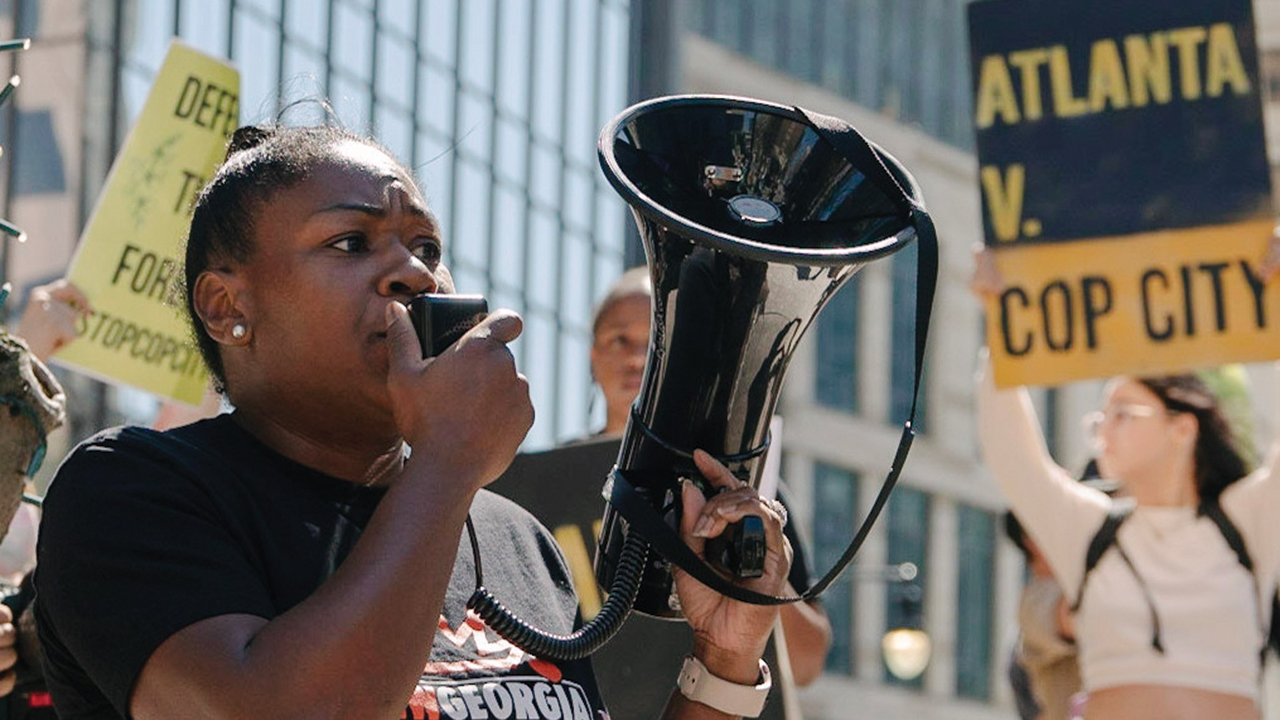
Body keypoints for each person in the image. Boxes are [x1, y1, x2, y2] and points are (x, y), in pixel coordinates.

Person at [34, 124, 793, 720]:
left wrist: (722, 666)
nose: (417, 274)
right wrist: (448, 461)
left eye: (426, 246)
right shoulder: (132, 491)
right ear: (228, 307)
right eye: (350, 242)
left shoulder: (509, 535)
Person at [494, 268, 831, 720]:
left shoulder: (743, 491)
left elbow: (808, 663)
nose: (637, 358)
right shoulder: (528, 492)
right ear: (594, 357)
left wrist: (756, 572)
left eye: (654, 341)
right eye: (619, 340)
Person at [972, 245, 1280, 720]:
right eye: (1100, 417)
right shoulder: (1090, 530)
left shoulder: (1247, 521)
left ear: (1182, 428)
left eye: (1123, 413)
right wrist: (1001, 323)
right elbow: (1012, 455)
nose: (1103, 432)